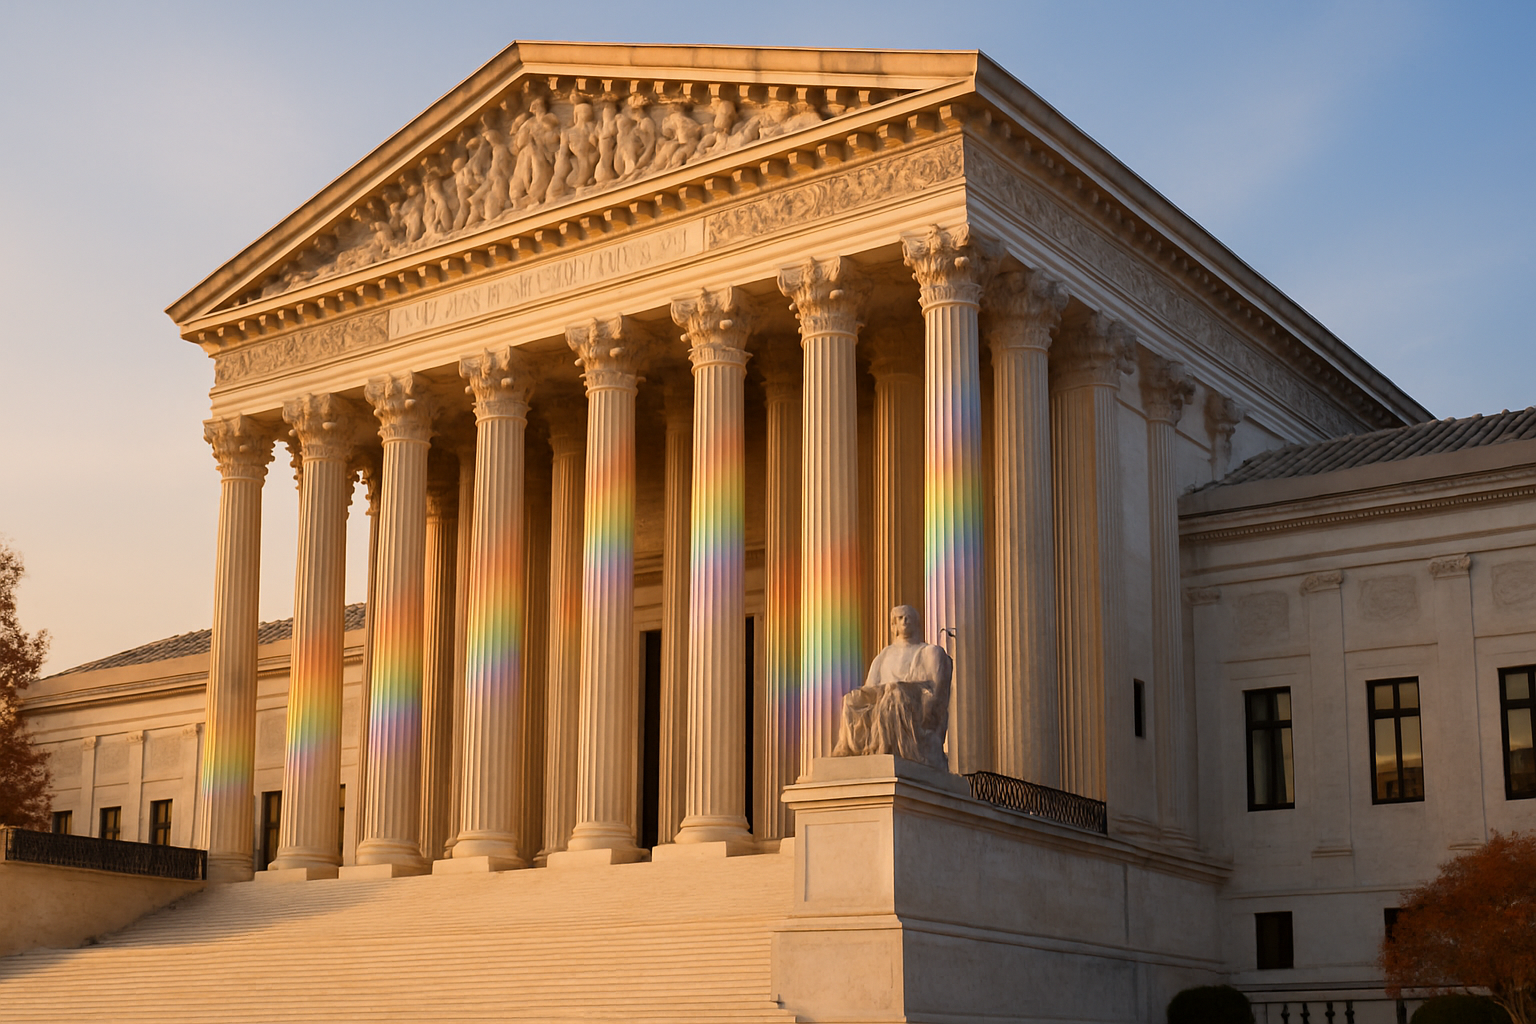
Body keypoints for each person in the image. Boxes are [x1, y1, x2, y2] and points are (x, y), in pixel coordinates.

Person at [833, 605, 952, 770]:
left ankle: (885, 749)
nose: (905, 621)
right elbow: (869, 688)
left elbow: (936, 690)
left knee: (894, 694)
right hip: (887, 698)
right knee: (851, 700)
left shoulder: (928, 651)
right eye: (900, 618)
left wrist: (899, 691)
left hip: (912, 704)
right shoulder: (884, 655)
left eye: (909, 617)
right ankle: (849, 749)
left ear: (917, 623)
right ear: (893, 625)